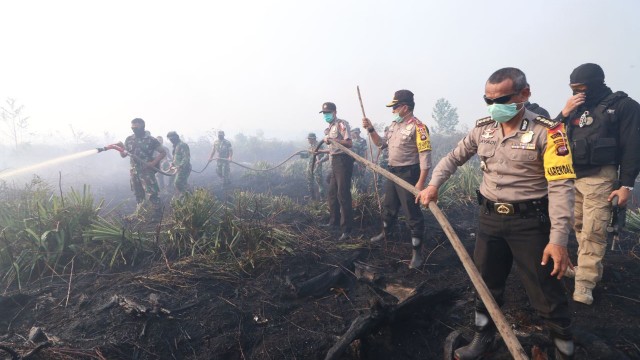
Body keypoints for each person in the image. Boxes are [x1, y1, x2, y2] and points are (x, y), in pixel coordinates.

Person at [417, 68, 576, 359]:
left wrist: (558, 240)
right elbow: (454, 158)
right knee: (484, 282)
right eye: (488, 100)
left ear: (524, 93)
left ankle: (564, 350)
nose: (494, 107)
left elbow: (561, 187)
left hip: (530, 223)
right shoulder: (483, 128)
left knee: (545, 291)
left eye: (501, 99)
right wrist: (433, 185)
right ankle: (483, 338)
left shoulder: (549, 132)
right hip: (490, 220)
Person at [557, 63, 640, 305]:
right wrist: (564, 112)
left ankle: (584, 283)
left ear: (597, 82)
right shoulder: (574, 107)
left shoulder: (624, 106)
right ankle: (589, 269)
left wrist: (626, 185)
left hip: (601, 177)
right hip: (573, 176)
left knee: (595, 230)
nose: (577, 92)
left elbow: (633, 147)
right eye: (573, 88)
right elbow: (551, 135)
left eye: (581, 87)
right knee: (580, 226)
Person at [362, 90, 432, 269]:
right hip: (392, 172)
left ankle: (417, 252)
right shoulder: (394, 125)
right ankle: (386, 233)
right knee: (389, 205)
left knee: (412, 213)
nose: (393, 110)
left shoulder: (419, 127)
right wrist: (370, 129)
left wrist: (420, 183)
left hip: (409, 174)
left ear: (405, 107)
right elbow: (380, 144)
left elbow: (425, 157)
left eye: (395, 107)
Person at [318, 102, 354, 241]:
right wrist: (320, 150)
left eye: (328, 113)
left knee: (343, 194)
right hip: (334, 161)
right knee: (332, 193)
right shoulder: (330, 127)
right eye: (324, 113)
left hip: (343, 161)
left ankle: (347, 229)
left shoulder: (341, 124)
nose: (326, 115)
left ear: (334, 112)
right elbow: (333, 148)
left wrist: (332, 140)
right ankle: (333, 222)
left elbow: (348, 143)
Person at [122, 118, 166, 221]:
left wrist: (153, 163)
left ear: (142, 127)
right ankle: (141, 212)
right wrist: (120, 147)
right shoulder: (129, 139)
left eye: (136, 127)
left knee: (152, 192)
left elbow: (163, 152)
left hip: (146, 171)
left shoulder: (151, 140)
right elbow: (123, 155)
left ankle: (157, 213)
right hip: (134, 171)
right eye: (132, 127)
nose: (134, 129)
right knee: (138, 193)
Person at [302, 132, 327, 200]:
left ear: (312, 139)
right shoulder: (311, 146)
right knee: (310, 182)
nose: (308, 140)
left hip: (316, 167)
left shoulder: (319, 145)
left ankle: (322, 199)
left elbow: (320, 155)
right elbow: (308, 155)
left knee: (319, 183)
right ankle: (312, 197)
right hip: (310, 167)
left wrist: (318, 159)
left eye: (309, 139)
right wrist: (301, 154)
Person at [166, 131, 191, 197]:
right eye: (170, 139)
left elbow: (186, 157)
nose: (171, 140)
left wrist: (180, 166)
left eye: (172, 138)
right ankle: (187, 196)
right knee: (181, 183)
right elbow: (175, 158)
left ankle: (186, 195)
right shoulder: (175, 146)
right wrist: (172, 164)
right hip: (177, 168)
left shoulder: (182, 145)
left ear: (176, 137)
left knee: (178, 182)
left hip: (184, 168)